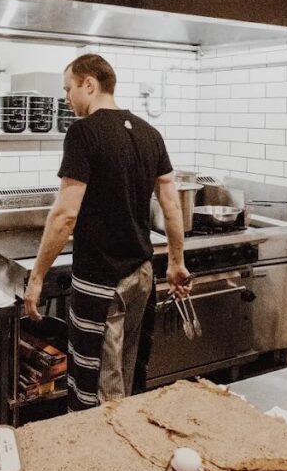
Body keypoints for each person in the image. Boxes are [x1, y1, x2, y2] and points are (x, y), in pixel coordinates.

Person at [25, 53, 191, 410]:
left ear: (90, 83)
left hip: (102, 279)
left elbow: (65, 215)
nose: (66, 98)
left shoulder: (84, 133)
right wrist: (176, 262)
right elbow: (171, 204)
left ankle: (104, 458)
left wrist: (37, 276)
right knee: (125, 376)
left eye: (68, 89)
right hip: (142, 275)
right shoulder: (149, 133)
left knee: (100, 384)